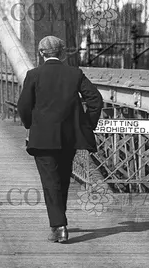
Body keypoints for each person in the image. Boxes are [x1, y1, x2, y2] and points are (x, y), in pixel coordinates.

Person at [16, 35, 104, 244]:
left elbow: (23, 106)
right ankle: (59, 221)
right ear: (63, 53)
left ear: (40, 53)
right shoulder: (75, 74)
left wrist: (30, 125)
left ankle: (59, 226)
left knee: (50, 182)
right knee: (63, 180)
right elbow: (96, 101)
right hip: (69, 138)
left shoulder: (33, 75)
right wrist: (86, 124)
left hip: (43, 138)